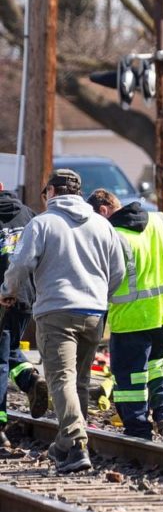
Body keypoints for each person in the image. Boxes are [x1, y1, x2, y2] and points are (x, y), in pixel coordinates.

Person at [0, 169, 124, 473]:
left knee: (62, 380)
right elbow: (119, 270)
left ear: (52, 192)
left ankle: (77, 444)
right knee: (78, 381)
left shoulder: (42, 223)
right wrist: (99, 296)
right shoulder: (102, 224)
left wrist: (7, 291)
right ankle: (65, 446)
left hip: (56, 313)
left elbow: (20, 264)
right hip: (94, 314)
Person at [87, 189, 163, 442]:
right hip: (162, 317)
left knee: (130, 380)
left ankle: (138, 431)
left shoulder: (112, 236)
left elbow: (102, 284)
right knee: (162, 370)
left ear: (104, 210)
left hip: (128, 321)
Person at [0, 182, 49, 449]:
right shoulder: (29, 215)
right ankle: (30, 380)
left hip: (3, 296)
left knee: (0, 360)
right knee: (8, 348)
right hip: (26, 298)